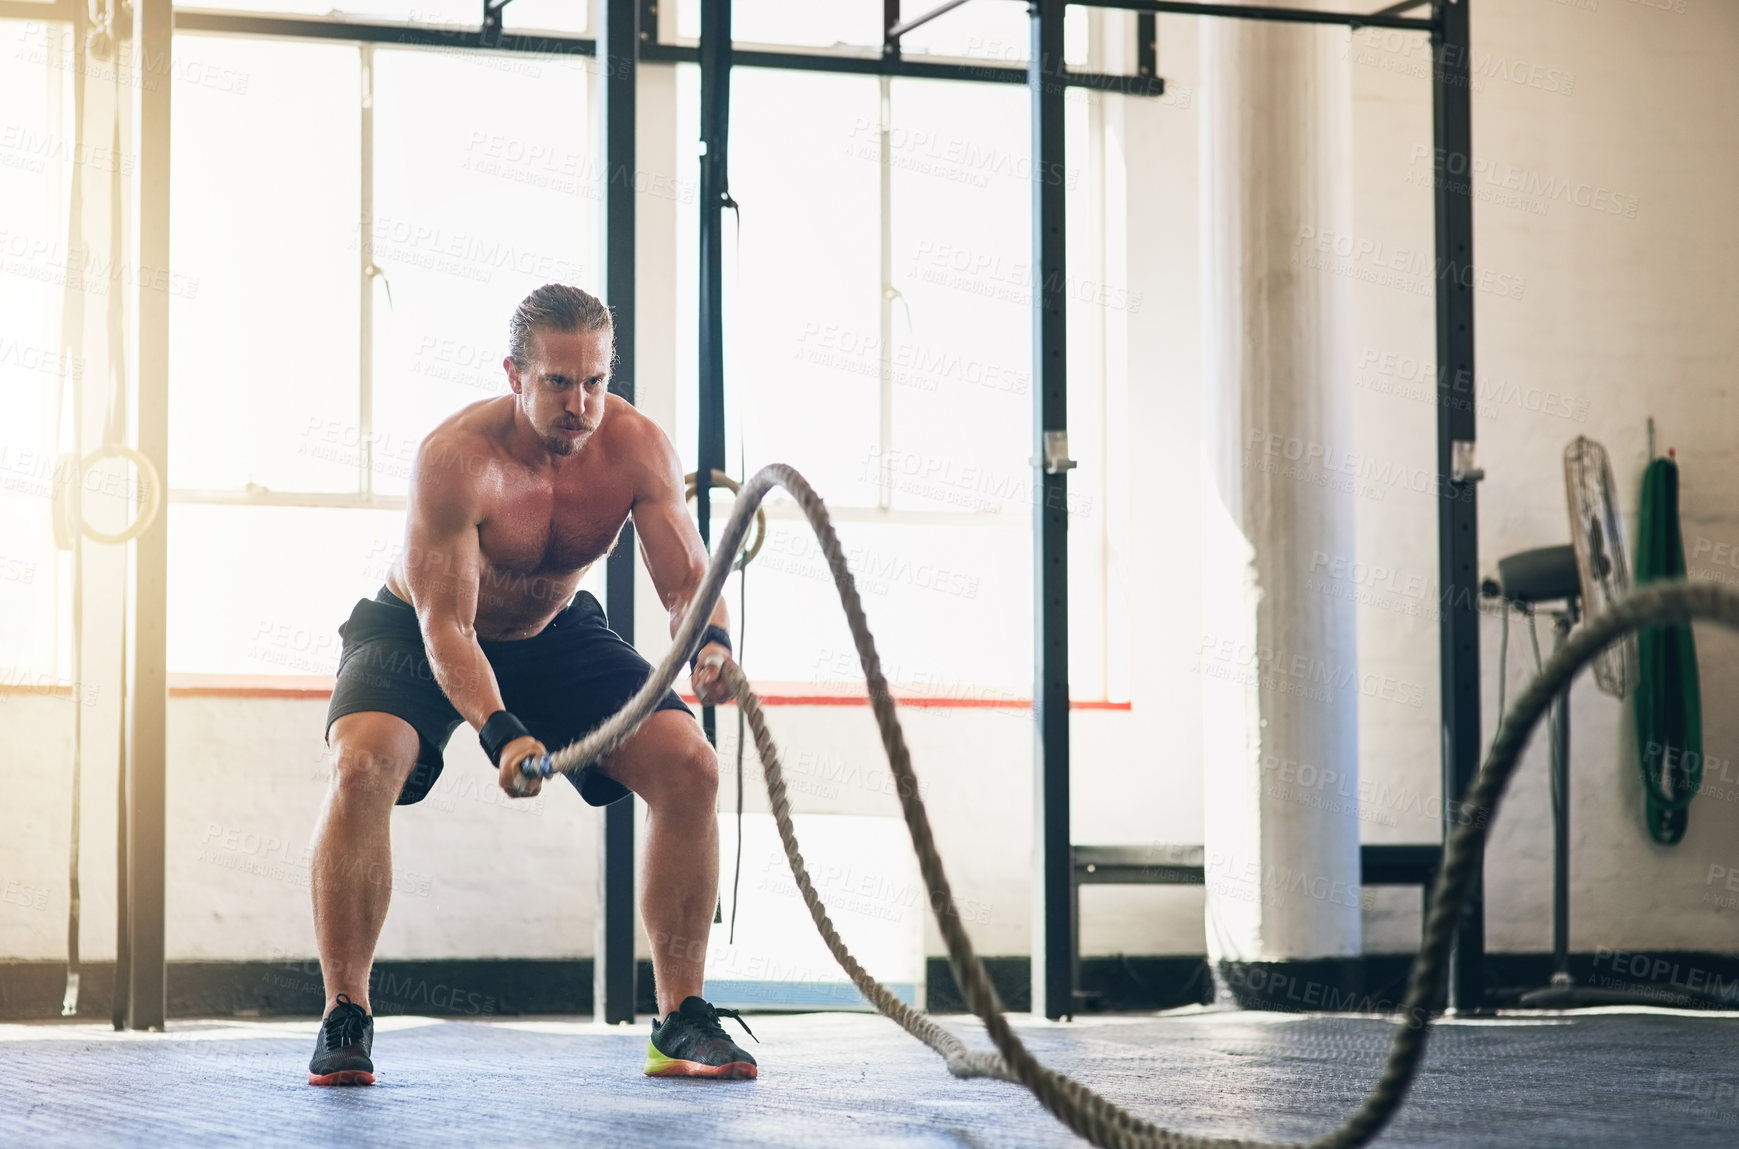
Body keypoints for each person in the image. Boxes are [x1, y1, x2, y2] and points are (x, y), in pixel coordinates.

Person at [306, 284, 757, 1085]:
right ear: (514, 372)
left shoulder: (637, 447)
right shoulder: (456, 458)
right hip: (416, 632)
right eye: (557, 382)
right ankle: (347, 1009)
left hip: (552, 634)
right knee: (362, 764)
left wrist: (710, 645)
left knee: (691, 764)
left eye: (594, 381)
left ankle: (679, 1016)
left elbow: (688, 575)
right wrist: (500, 731)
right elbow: (447, 628)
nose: (579, 403)